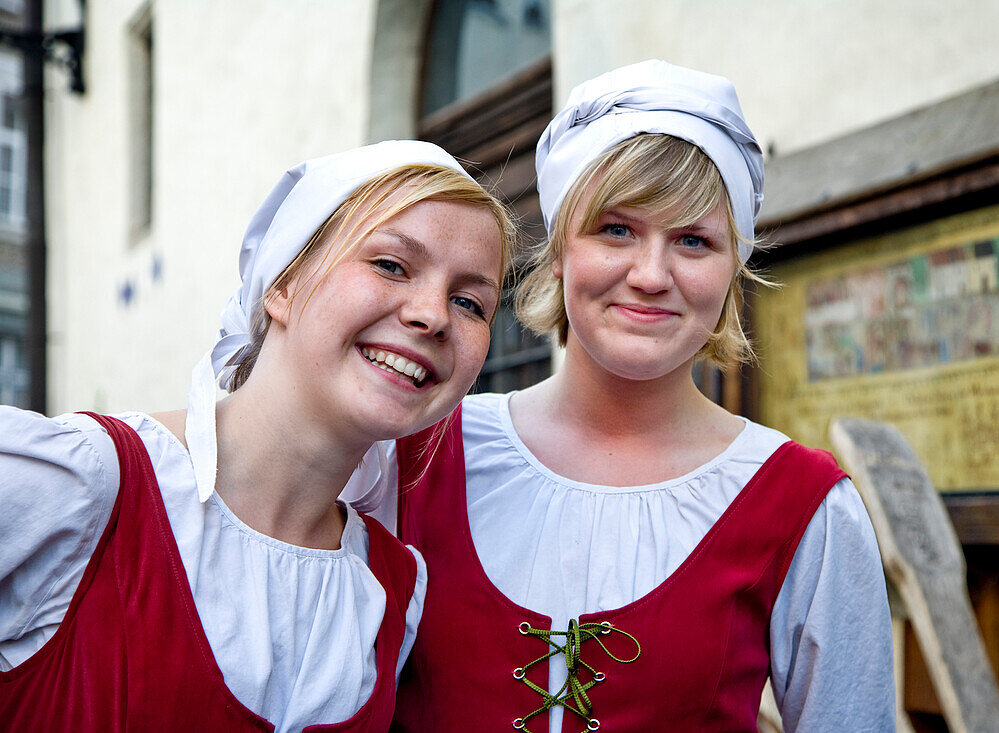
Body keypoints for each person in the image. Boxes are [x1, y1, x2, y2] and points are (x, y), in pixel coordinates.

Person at [348, 62, 894, 732]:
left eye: (694, 240)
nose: (651, 274)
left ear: (732, 271)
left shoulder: (806, 507)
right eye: (616, 229)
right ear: (558, 252)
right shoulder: (413, 457)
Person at [0, 141, 514, 731]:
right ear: (284, 284)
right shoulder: (85, 487)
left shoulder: (393, 588)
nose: (434, 315)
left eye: (471, 303)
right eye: (390, 265)